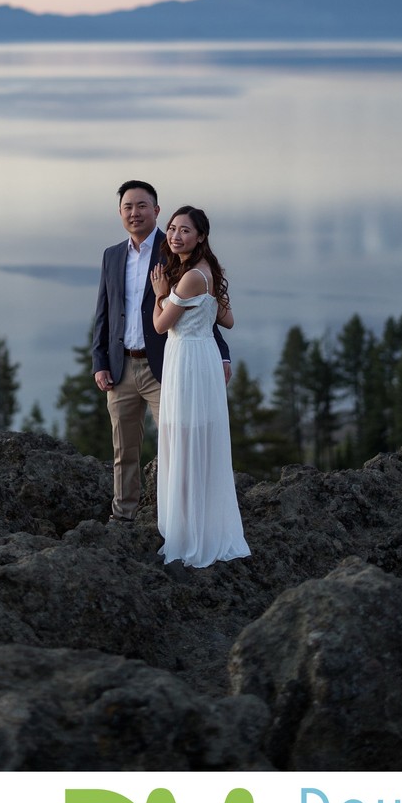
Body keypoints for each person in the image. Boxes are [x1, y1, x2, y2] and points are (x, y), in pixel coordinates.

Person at [92, 180, 231, 524]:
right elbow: (104, 313)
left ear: (156, 210)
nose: (134, 213)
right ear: (120, 212)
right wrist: (100, 362)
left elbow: (199, 310)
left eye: (142, 206)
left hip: (166, 367)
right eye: (128, 207)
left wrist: (222, 354)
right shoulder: (112, 255)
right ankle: (123, 516)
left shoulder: (173, 250)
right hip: (121, 366)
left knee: (176, 446)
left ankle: (177, 519)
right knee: (124, 450)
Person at [150, 205, 251, 568]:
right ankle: (198, 523)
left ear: (201, 236)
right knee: (194, 438)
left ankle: (190, 532)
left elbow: (160, 326)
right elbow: (228, 319)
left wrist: (160, 294)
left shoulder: (192, 276)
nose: (175, 236)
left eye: (185, 230)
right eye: (172, 229)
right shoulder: (206, 270)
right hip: (200, 356)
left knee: (184, 438)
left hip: (188, 361)